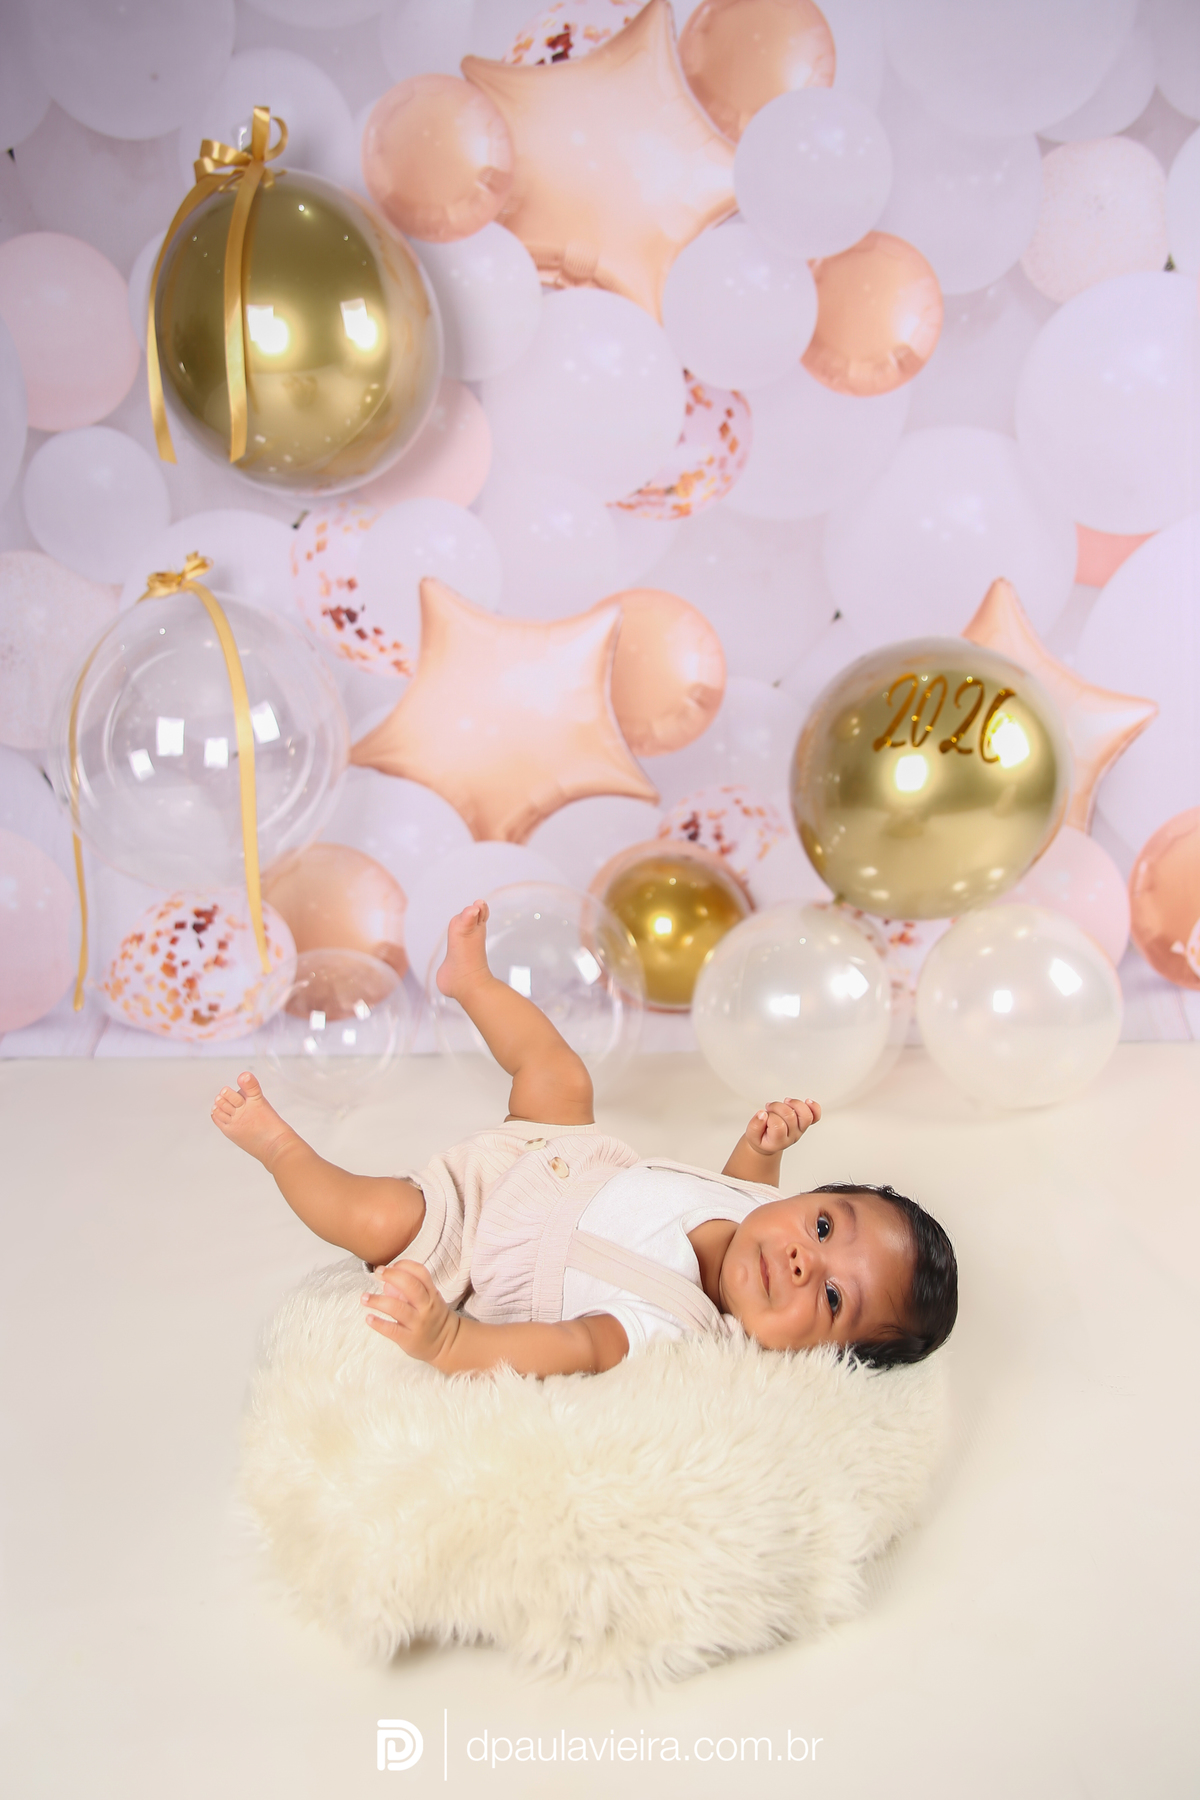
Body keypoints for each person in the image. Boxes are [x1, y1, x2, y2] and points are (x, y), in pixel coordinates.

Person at [213, 901, 957, 1379]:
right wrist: (763, 1147)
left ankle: (278, 1146)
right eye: (823, 1226)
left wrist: (450, 1343)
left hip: (485, 1239)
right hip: (561, 1149)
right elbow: (741, 1189)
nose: (801, 1260)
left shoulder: (676, 1330)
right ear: (806, 1197)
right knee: (560, 1073)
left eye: (832, 1296)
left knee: (376, 1218)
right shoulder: (754, 1206)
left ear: (822, 1360)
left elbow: (575, 1346)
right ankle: (471, 982)